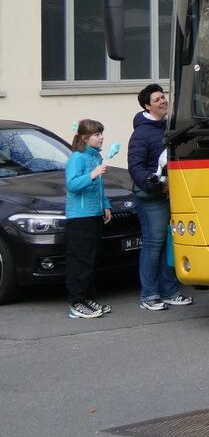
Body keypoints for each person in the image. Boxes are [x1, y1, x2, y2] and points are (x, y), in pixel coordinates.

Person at [127, 83, 194, 311]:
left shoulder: (171, 126)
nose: (163, 101)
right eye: (157, 100)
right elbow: (135, 167)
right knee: (153, 243)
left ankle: (170, 291)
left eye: (163, 97)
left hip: (172, 196)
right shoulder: (141, 133)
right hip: (152, 197)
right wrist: (157, 186)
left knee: (169, 244)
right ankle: (149, 295)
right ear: (147, 106)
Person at [64, 119, 112, 319]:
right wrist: (92, 174)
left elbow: (99, 187)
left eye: (101, 133)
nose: (101, 137)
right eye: (97, 134)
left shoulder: (96, 157)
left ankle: (87, 298)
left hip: (94, 213)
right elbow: (72, 185)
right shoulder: (78, 157)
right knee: (80, 260)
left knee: (92, 258)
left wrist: (106, 205)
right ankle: (77, 302)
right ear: (85, 137)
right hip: (80, 216)